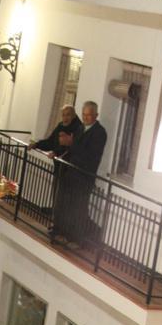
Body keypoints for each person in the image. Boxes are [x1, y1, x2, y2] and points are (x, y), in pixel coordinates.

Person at [52, 101, 108, 243]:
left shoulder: (100, 133)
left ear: (96, 115)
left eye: (89, 115)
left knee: (78, 209)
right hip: (71, 173)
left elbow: (91, 155)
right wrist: (58, 152)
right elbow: (71, 150)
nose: (86, 118)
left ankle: (77, 239)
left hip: (84, 176)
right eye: (84, 115)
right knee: (63, 203)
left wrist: (72, 143)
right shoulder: (80, 128)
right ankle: (60, 231)